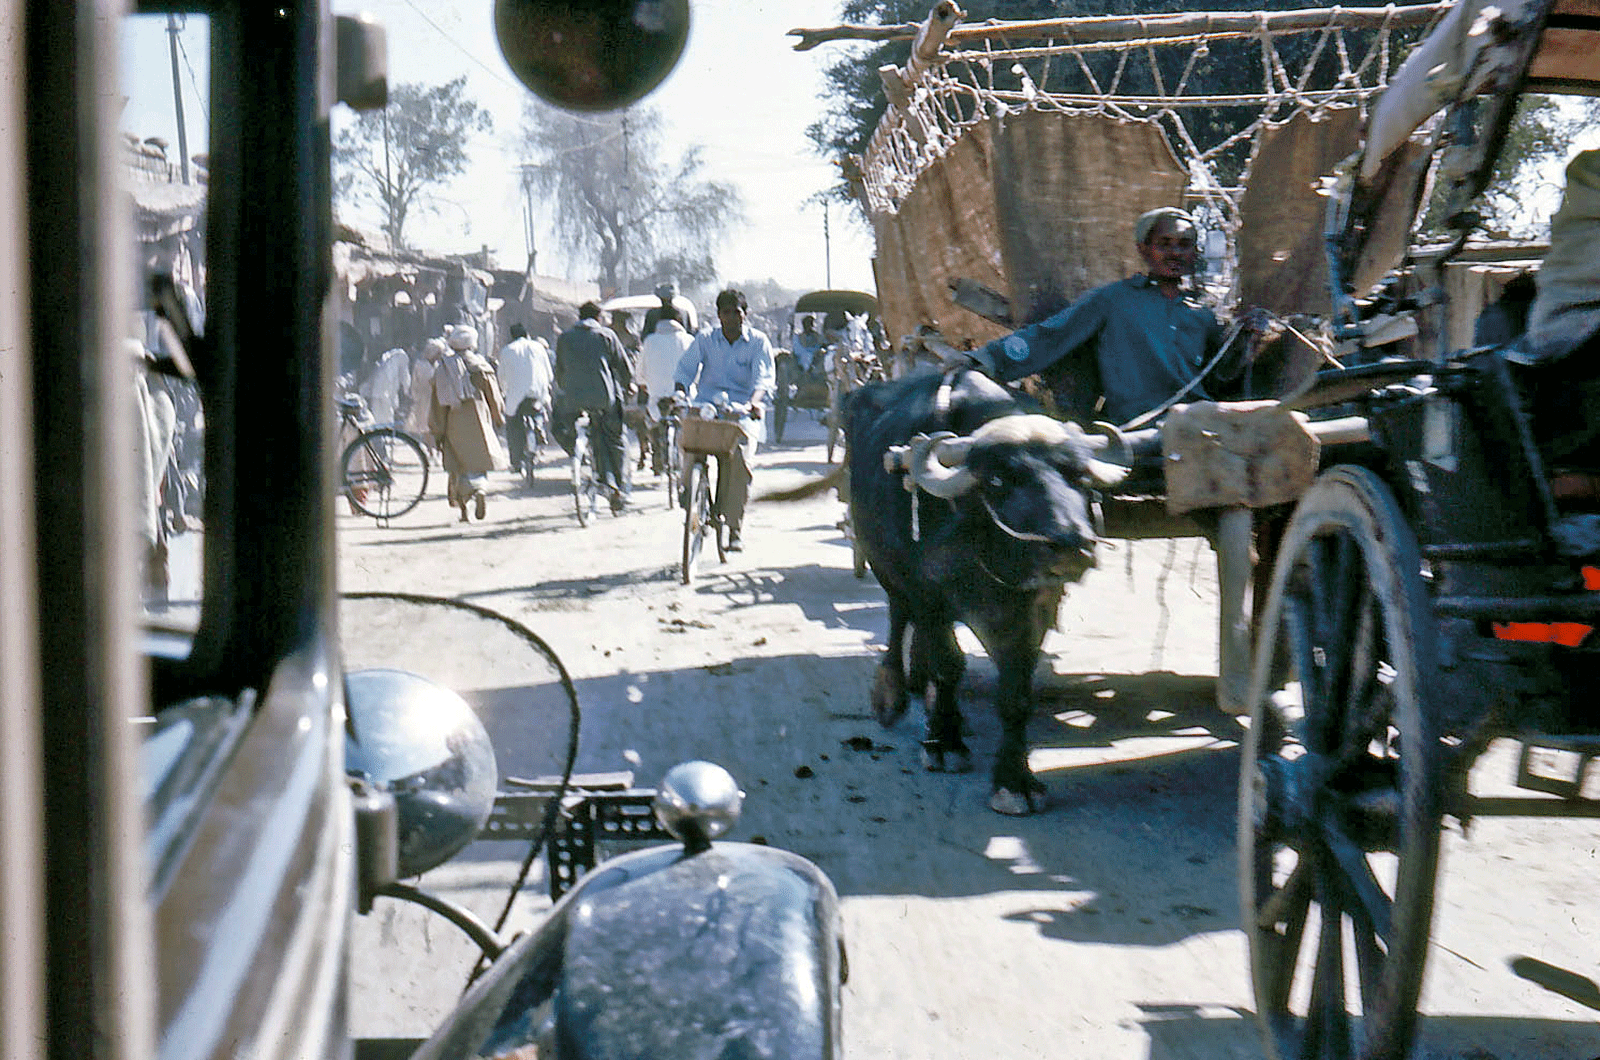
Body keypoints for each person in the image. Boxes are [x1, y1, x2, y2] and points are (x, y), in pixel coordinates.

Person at [966, 207, 1228, 426]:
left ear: (1195, 253)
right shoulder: (1113, 300)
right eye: (1164, 244)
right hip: (1136, 428)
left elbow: (1223, 373)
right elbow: (1051, 335)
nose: (1175, 253)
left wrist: (1248, 334)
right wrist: (987, 358)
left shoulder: (1205, 311)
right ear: (1144, 249)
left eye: (1184, 245)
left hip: (1197, 428)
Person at [673, 287, 776, 552]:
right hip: (707, 405)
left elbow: (763, 378)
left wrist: (754, 402)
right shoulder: (706, 339)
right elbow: (685, 369)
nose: (731, 318)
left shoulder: (758, 342)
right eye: (726, 312)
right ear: (719, 315)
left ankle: (734, 527)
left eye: (737, 312)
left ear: (746, 314)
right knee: (686, 439)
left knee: (740, 461)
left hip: (741, 411)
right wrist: (679, 392)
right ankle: (688, 493)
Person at [556, 300, 635, 512]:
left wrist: (568, 389)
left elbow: (560, 373)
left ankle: (582, 458)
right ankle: (616, 487)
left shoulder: (564, 338)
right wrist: (630, 385)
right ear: (598, 318)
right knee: (615, 438)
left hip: (573, 401)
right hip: (603, 399)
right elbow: (623, 366)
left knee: (576, 428)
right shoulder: (606, 336)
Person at [430, 324, 507, 522]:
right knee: (478, 461)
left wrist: (437, 429)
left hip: (453, 420)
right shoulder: (481, 366)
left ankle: (464, 511)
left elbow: (438, 401)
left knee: (457, 466)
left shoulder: (443, 368)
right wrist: (498, 417)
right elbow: (494, 396)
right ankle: (480, 489)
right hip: (480, 418)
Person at [638, 304, 696, 473]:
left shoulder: (649, 341)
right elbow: (698, 371)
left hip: (657, 399)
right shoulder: (689, 340)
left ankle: (657, 454)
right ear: (680, 321)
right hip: (683, 398)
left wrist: (645, 384)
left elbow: (640, 374)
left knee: (655, 423)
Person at [498, 322, 554, 474]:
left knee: (512, 427)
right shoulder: (539, 347)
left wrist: (504, 392)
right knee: (542, 412)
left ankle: (516, 463)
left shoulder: (507, 350)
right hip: (537, 395)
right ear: (527, 334)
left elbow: (501, 378)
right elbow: (549, 375)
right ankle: (541, 435)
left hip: (516, 399)